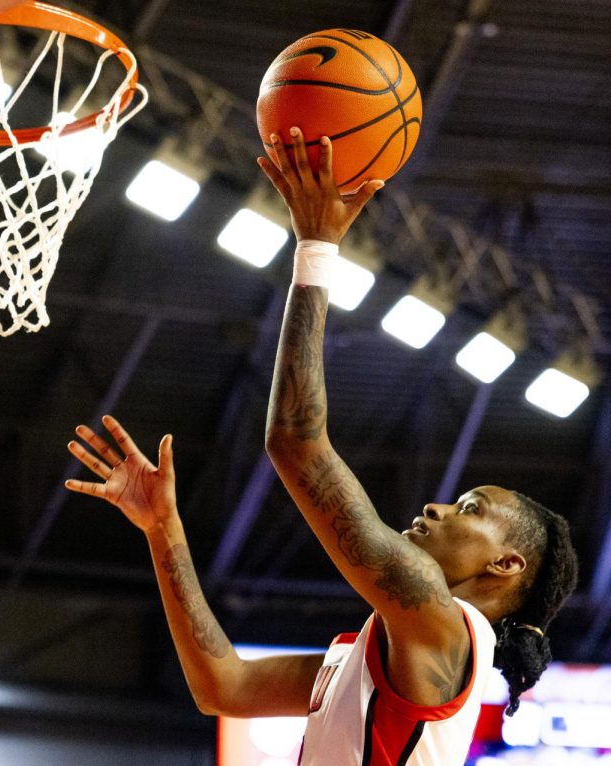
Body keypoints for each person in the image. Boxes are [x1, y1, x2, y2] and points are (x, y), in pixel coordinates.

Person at [63, 128, 578, 765]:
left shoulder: (448, 628)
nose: (439, 509)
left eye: (472, 508)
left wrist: (317, 246)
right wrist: (162, 527)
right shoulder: (390, 642)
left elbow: (297, 443)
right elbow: (223, 686)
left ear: (506, 566)